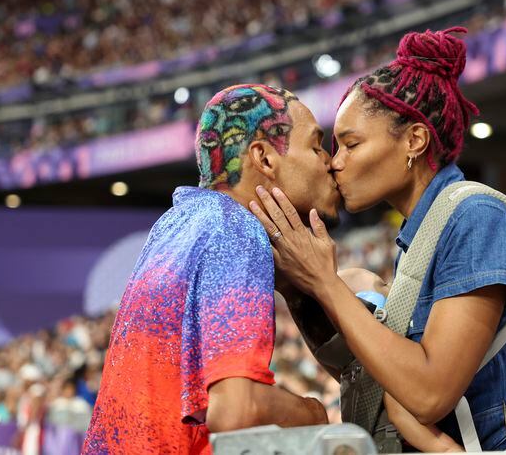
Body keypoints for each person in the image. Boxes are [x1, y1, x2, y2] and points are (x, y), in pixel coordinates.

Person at [249, 28, 506, 452]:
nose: (335, 163)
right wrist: (299, 286)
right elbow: (377, 376)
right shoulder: (426, 230)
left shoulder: (475, 218)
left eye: (351, 144)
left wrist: (325, 282)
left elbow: (428, 394)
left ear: (414, 140)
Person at [83, 84, 339, 454]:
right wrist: (314, 413)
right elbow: (237, 411)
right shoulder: (237, 227)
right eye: (316, 146)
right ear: (264, 158)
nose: (328, 161)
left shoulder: (174, 224)